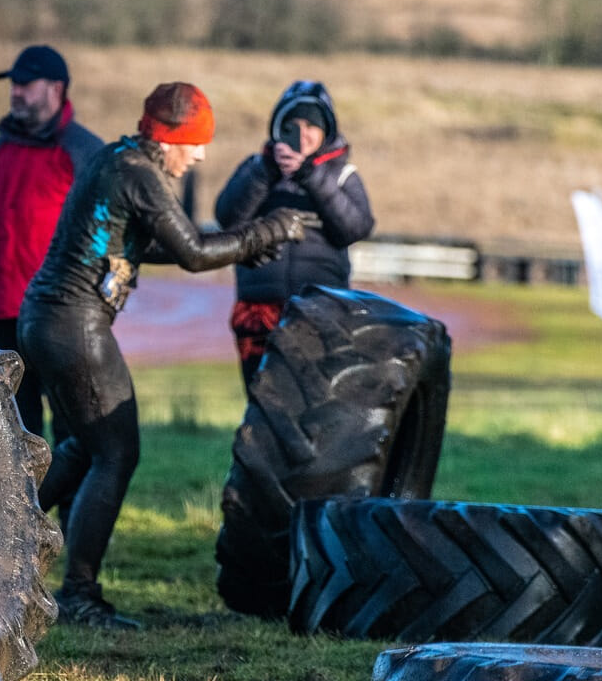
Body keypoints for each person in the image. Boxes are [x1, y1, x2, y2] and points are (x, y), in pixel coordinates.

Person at [20, 83, 312, 629]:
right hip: (73, 323)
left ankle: (3, 541)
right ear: (172, 138)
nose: (200, 155)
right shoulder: (141, 174)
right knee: (116, 453)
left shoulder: (117, 158)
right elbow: (197, 254)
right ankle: (79, 594)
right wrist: (266, 230)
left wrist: (246, 241)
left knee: (85, 447)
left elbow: (155, 245)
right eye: (196, 143)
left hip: (48, 319)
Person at [0, 44, 102, 440]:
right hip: (5, 315)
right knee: (17, 433)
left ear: (56, 88)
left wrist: (100, 302)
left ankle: (73, 505)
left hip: (64, 315)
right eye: (13, 84)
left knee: (75, 431)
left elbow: (109, 233)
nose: (16, 91)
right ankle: (26, 504)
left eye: (26, 83)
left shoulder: (86, 152)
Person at [214, 80, 374, 389]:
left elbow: (355, 228)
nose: (302, 135)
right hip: (258, 310)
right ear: (277, 128)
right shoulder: (256, 167)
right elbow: (228, 217)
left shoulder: (342, 175)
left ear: (326, 131)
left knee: (316, 398)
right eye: (292, 125)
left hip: (322, 310)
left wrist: (311, 177)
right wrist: (267, 170)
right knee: (262, 398)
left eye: (312, 125)